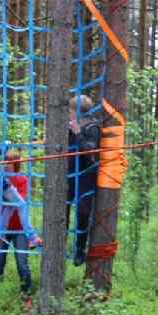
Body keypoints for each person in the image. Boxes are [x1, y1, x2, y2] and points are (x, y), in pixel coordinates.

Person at [0, 150, 33, 310]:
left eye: (9, 162)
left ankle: (26, 294)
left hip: (20, 229)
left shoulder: (22, 179)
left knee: (22, 263)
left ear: (16, 164)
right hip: (3, 229)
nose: (6, 165)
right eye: (4, 162)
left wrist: (8, 195)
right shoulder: (0, 180)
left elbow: (20, 201)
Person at [67, 95, 100, 267]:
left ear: (77, 111)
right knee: (62, 208)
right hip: (70, 175)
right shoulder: (72, 125)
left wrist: (78, 132)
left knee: (82, 213)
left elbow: (89, 151)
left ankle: (80, 249)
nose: (69, 113)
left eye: (71, 110)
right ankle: (59, 243)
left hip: (86, 176)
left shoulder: (93, 128)